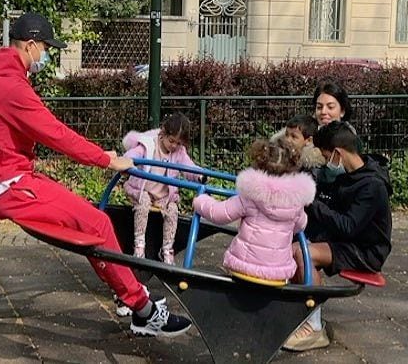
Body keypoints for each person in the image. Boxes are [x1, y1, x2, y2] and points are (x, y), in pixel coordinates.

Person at [0, 12, 191, 337]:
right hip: (8, 186)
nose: (45, 55)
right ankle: (143, 311)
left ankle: (127, 294)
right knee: (97, 223)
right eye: (44, 48)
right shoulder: (9, 86)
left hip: (7, 179)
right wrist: (106, 160)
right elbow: (55, 134)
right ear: (29, 45)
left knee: (91, 222)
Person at [283, 121, 392, 352]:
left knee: (304, 254)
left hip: (365, 251)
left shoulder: (371, 185)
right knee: (291, 247)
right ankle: (297, 314)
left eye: (326, 157)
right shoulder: (350, 176)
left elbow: (347, 226)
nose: (326, 164)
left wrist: (312, 202)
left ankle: (313, 328)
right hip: (348, 241)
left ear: (338, 154)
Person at [192, 138, 316, 282]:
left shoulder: (251, 196)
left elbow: (219, 214)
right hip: (278, 273)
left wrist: (201, 201)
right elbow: (301, 225)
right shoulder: (296, 203)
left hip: (245, 267)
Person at [122, 113, 202, 266]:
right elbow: (133, 155)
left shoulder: (179, 152)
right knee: (143, 202)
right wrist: (127, 162)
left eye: (178, 143)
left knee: (172, 210)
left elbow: (188, 166)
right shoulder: (148, 144)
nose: (173, 146)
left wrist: (199, 176)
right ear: (163, 133)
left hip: (163, 197)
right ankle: (139, 244)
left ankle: (167, 249)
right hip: (141, 190)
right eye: (171, 141)